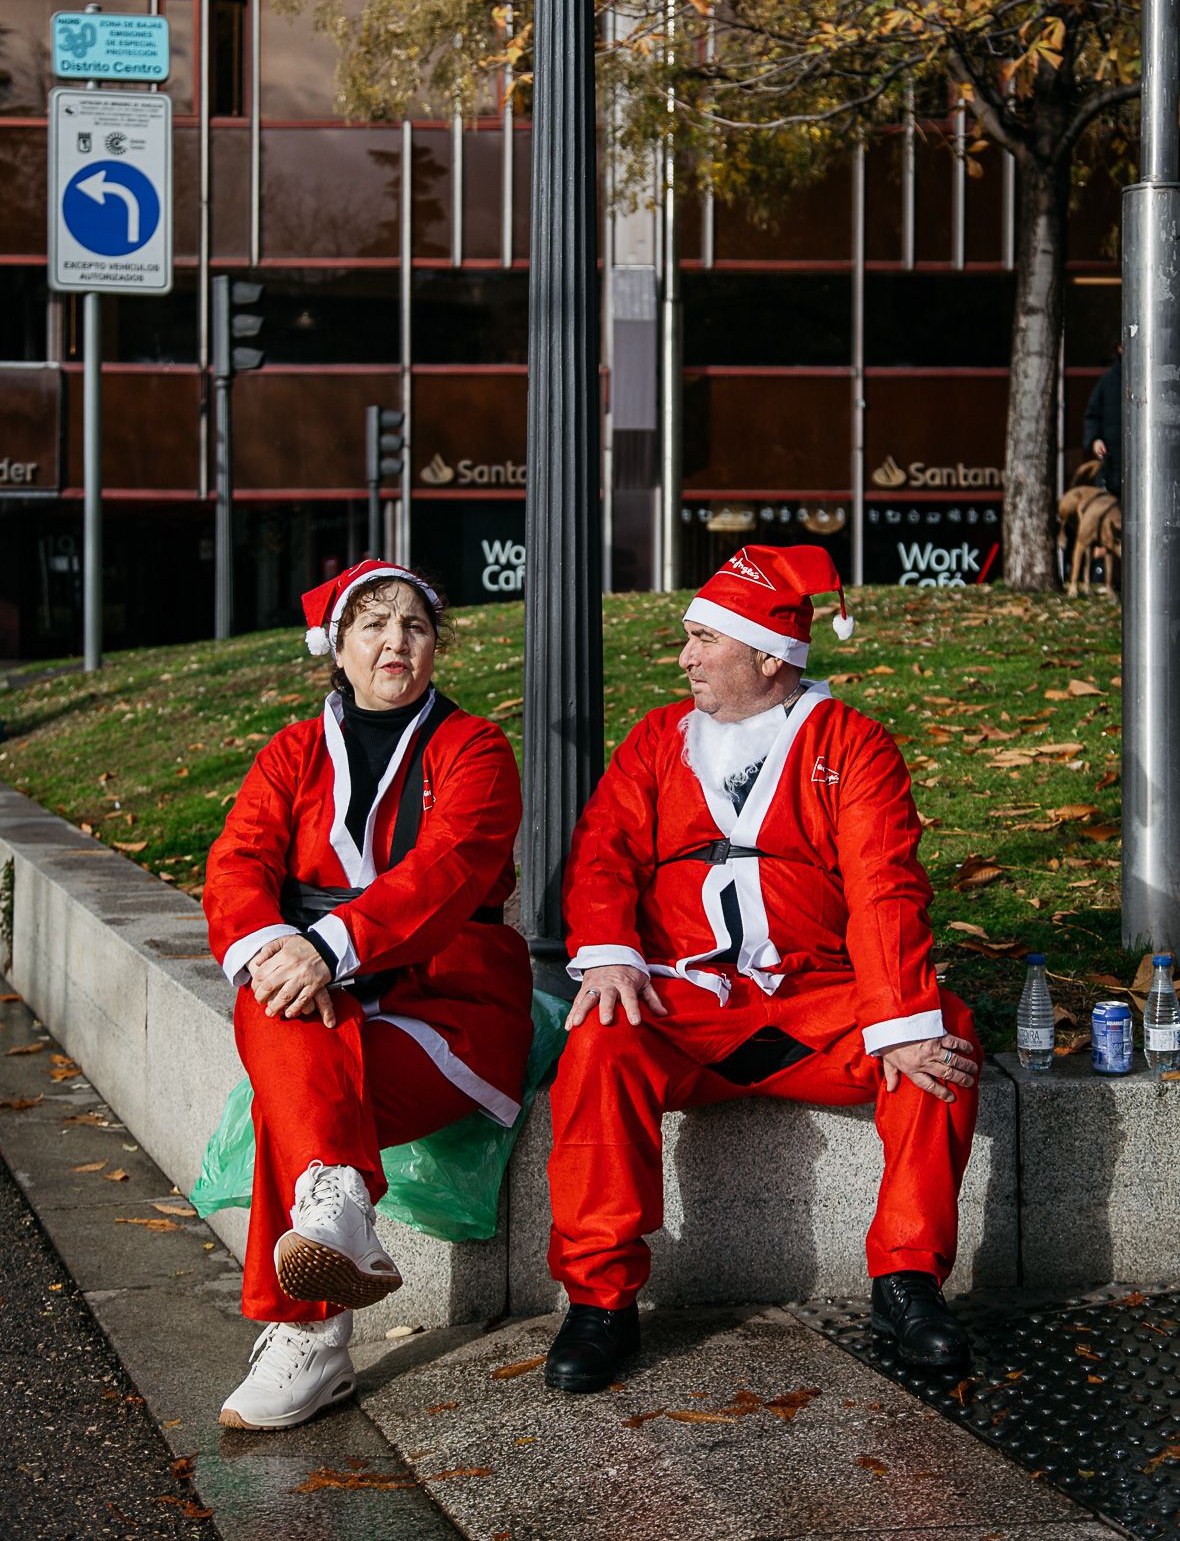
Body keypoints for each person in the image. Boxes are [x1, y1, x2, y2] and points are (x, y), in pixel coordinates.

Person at [544, 545, 981, 1394]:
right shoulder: (655, 739)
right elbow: (602, 853)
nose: (684, 658)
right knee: (598, 1039)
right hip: (687, 1004)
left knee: (945, 1038)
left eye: (705, 639)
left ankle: (908, 1279)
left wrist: (899, 1022)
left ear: (768, 655)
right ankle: (599, 1302)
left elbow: (885, 885)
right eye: (688, 639)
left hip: (817, 1007)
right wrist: (606, 955)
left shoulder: (852, 743)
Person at [204, 558, 532, 1430]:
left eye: (416, 627)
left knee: (295, 1101)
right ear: (338, 648)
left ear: (435, 647)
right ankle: (338, 1204)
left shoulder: (478, 750)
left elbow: (451, 867)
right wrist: (278, 947)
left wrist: (328, 948)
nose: (397, 642)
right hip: (317, 1002)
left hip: (448, 1010)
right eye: (375, 626)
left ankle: (311, 1342)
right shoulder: (292, 751)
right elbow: (238, 862)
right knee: (268, 1004)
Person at [1082, 346, 1122, 500]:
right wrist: (1094, 440)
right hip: (1112, 467)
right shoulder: (1107, 381)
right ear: (1119, 348)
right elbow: (1092, 416)